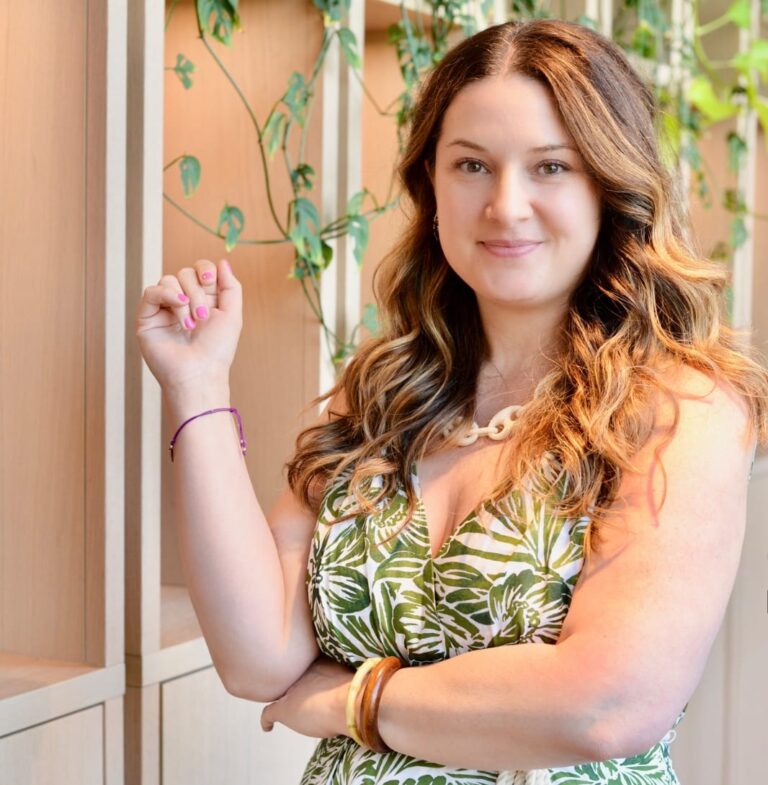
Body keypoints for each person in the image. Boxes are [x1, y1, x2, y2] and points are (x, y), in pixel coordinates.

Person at [136, 18, 768, 785]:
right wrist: (197, 388)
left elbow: (605, 704)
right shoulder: (374, 393)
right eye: (472, 165)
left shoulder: (681, 407)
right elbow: (257, 655)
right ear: (429, 183)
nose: (505, 205)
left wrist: (354, 700)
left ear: (611, 184)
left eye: (551, 168)